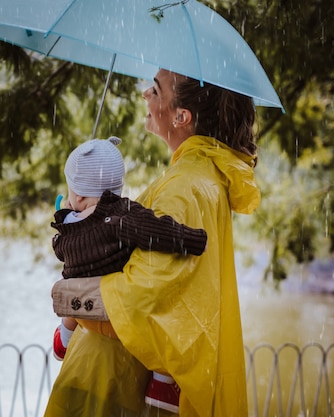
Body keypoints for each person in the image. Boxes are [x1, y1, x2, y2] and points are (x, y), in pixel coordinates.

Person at [44, 69, 260, 417]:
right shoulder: (201, 177)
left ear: (181, 116)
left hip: (106, 379)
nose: (145, 93)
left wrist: (69, 299)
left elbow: (142, 298)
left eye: (156, 90)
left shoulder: (183, 187)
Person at [49, 136, 208, 412]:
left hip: (82, 304)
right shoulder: (119, 217)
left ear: (77, 196)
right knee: (158, 314)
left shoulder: (66, 228)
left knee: (72, 282)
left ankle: (64, 335)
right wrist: (194, 239)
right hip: (117, 314)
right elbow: (158, 232)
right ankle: (162, 378)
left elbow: (64, 240)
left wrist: (69, 213)